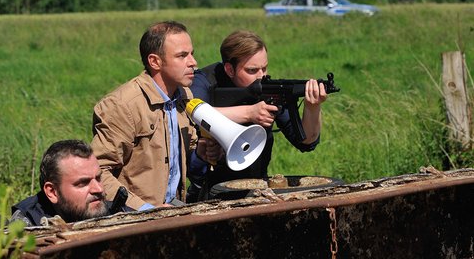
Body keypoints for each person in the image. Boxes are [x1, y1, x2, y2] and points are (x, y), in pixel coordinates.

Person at [91, 21, 218, 211]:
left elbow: (183, 152)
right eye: (182, 56)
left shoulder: (184, 96)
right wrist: (145, 209)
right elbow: (97, 171)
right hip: (131, 217)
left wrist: (199, 152)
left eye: (192, 54)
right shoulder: (122, 105)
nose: (193, 62)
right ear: (154, 61)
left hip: (172, 209)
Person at [188, 30, 327, 200]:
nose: (261, 76)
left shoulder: (267, 89)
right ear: (229, 69)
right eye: (252, 70)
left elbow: (306, 142)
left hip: (255, 189)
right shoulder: (205, 80)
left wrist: (312, 108)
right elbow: (191, 110)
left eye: (264, 68)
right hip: (210, 192)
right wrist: (249, 113)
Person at [10, 139, 122, 226]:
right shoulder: (28, 226)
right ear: (53, 192)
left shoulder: (118, 213)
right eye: (83, 183)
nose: (98, 189)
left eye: (98, 178)